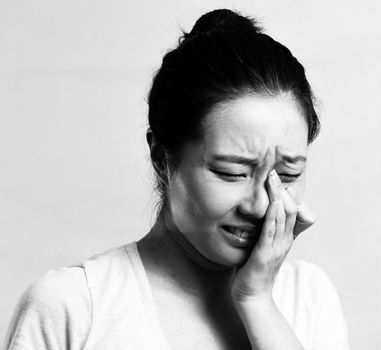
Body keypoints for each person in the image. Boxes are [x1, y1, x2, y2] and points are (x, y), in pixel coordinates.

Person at [3, 9, 349, 350]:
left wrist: (257, 300)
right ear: (161, 157)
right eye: (232, 173)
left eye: (288, 175)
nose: (261, 205)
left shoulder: (307, 296)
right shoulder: (74, 308)